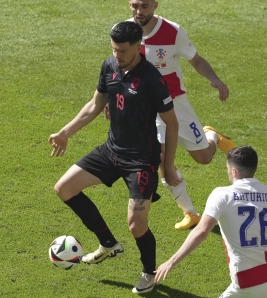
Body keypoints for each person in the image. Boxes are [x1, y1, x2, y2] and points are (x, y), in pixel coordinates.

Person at [49, 21, 180, 294]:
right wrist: (65, 132)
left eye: (122, 51)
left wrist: (167, 166)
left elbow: (172, 123)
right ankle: (108, 244)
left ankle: (149, 273)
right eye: (114, 49)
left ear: (138, 47)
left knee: (136, 223)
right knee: (64, 188)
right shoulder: (109, 66)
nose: (117, 55)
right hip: (111, 151)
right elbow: (96, 104)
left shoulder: (153, 80)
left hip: (141, 160)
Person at [113, 0, 236, 230]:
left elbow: (196, 60)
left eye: (145, 6)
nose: (139, 12)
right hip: (145, 108)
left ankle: (211, 136)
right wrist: (113, 98)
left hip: (175, 104)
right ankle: (190, 213)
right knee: (160, 159)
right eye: (135, 5)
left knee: (203, 158)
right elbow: (119, 66)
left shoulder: (173, 31)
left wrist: (215, 79)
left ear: (155, 5)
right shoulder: (124, 31)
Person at [155, 146, 267, 298]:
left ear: (234, 171)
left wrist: (171, 262)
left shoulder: (222, 195)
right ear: (256, 169)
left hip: (250, 280)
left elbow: (201, 231)